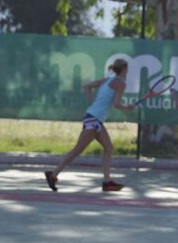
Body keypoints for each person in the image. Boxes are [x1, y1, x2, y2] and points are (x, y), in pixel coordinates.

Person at [45, 58, 136, 192]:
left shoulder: (108, 79)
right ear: (123, 69)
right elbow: (117, 104)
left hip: (94, 117)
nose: (128, 71)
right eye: (127, 68)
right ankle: (53, 175)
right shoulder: (120, 83)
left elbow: (87, 86)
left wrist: (93, 101)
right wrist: (129, 107)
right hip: (94, 119)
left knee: (109, 148)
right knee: (77, 150)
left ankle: (107, 182)